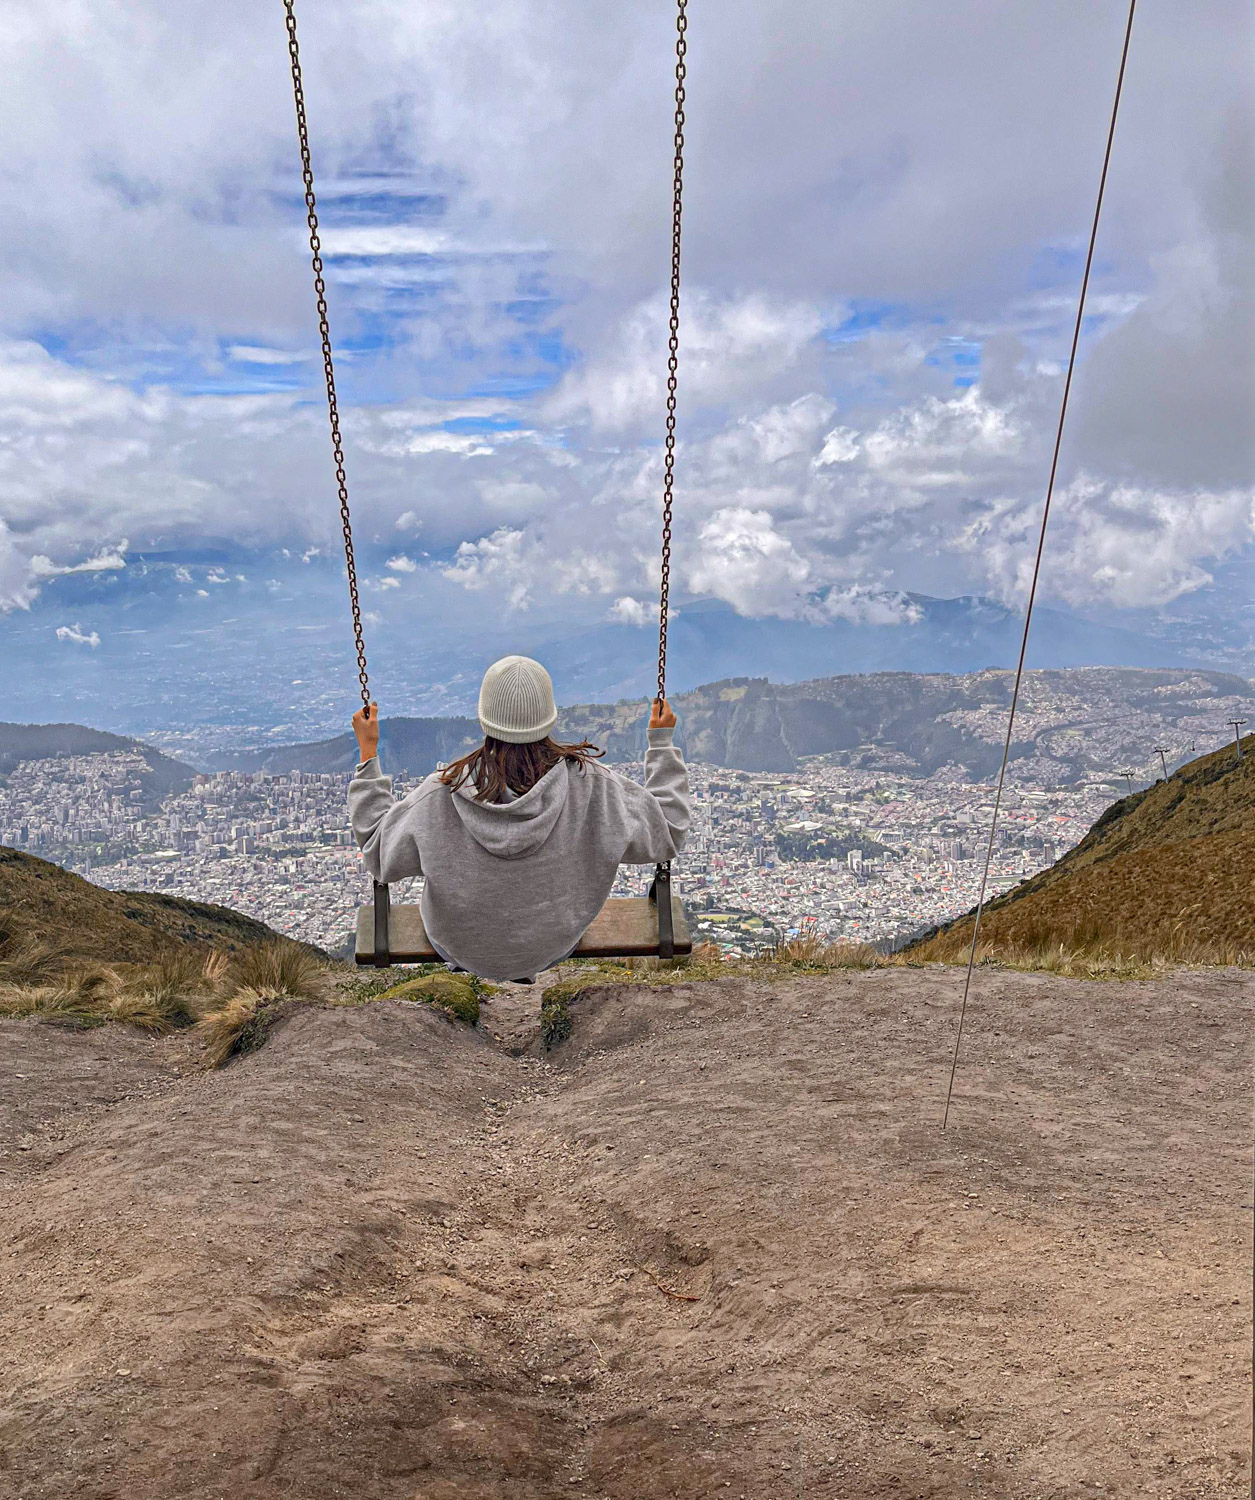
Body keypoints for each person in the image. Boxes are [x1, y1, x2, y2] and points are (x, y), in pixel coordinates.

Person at [348, 654, 690, 982]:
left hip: (459, 946)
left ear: (483, 719)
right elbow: (669, 830)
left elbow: (379, 853)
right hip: (552, 944)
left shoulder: (441, 794)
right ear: (550, 717)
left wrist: (368, 753)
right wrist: (661, 744)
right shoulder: (594, 786)